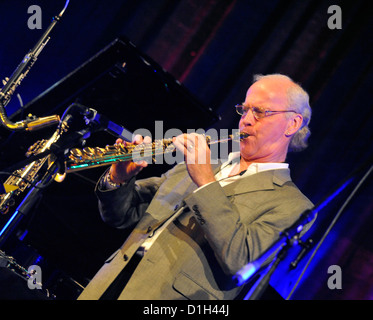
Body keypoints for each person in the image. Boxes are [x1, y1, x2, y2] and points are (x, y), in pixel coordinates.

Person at [78, 73, 314, 300]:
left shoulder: (295, 206)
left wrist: (205, 181)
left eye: (261, 111)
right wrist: (119, 178)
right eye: (244, 109)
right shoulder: (205, 162)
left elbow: (240, 261)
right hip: (109, 285)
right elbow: (121, 215)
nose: (247, 119)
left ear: (292, 124)